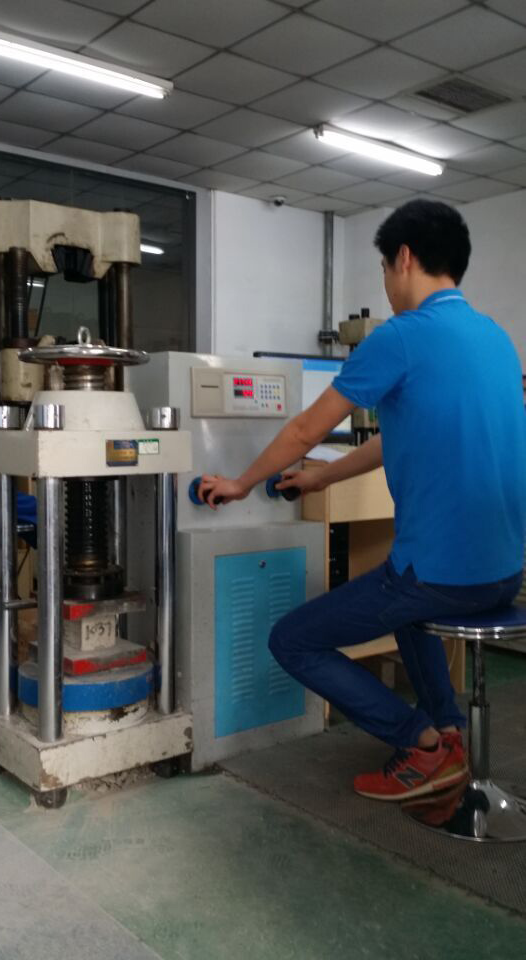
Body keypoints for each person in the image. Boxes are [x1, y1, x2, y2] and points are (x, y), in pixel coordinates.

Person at [198, 199, 526, 801]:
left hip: (441, 577)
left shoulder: (402, 335)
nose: (386, 284)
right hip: (504, 574)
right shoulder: (496, 339)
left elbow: (305, 430)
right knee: (400, 603)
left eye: (382, 269)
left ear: (404, 258)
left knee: (292, 639)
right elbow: (397, 439)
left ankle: (420, 744)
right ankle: (449, 732)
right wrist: (321, 480)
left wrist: (240, 483)